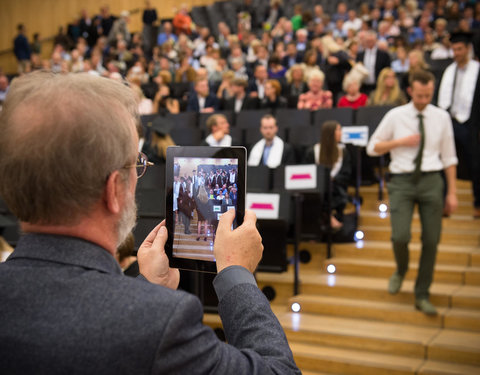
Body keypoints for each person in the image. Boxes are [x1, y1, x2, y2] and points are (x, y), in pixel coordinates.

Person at [0, 72, 300, 374]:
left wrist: (146, 286)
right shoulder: (160, 322)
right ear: (114, 190)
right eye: (136, 165)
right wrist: (237, 276)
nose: (138, 174)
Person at [366, 70, 458, 315]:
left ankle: (422, 293)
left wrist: (452, 192)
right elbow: (372, 147)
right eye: (419, 95)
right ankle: (401, 269)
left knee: (431, 240)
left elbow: (449, 157)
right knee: (400, 236)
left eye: (428, 95)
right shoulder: (395, 115)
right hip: (401, 181)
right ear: (410, 91)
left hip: (431, 181)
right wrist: (400, 142)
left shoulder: (441, 117)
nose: (424, 100)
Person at [437, 32, 480, 218]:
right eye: (454, 49)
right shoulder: (449, 70)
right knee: (444, 161)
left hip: (471, 123)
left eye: (459, 49)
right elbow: (442, 97)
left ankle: (478, 203)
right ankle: (444, 202)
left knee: (476, 164)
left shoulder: (477, 69)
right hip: (450, 120)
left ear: (468, 49)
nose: (456, 52)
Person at [304, 121, 352, 229]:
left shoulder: (343, 152)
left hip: (335, 187)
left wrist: (333, 179)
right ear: (330, 133)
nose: (341, 132)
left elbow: (346, 174)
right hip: (317, 188)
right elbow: (308, 172)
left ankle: (327, 216)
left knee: (333, 190)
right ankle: (327, 217)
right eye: (338, 130)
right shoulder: (313, 152)